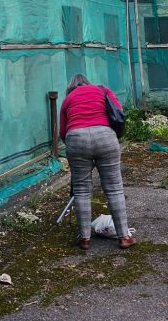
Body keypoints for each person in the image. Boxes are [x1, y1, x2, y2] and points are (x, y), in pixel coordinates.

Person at [58, 73, 135, 250]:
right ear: (87, 83)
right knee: (114, 188)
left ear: (71, 88)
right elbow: (118, 112)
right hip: (105, 137)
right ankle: (124, 237)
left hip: (75, 139)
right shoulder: (102, 90)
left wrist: (75, 147)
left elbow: (63, 131)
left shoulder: (68, 99)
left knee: (81, 190)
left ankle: (84, 239)